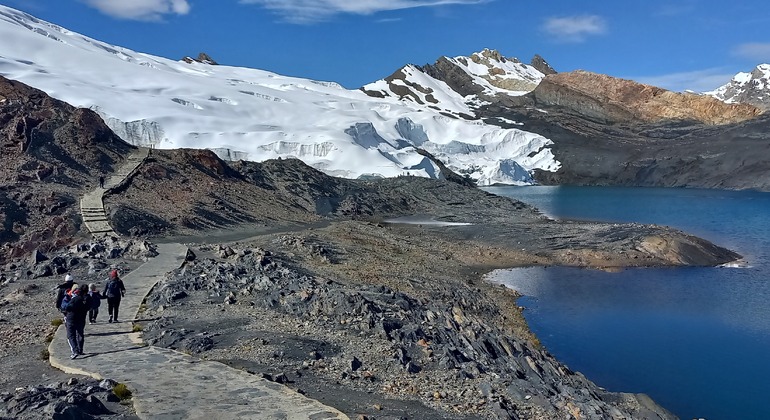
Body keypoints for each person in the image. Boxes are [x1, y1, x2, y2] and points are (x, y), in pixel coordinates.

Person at [63, 284, 90, 359]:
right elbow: (91, 306)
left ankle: (75, 351)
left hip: (71, 318)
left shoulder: (76, 299)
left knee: (71, 335)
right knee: (80, 334)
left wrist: (66, 310)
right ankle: (80, 349)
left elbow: (68, 307)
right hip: (81, 318)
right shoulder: (88, 298)